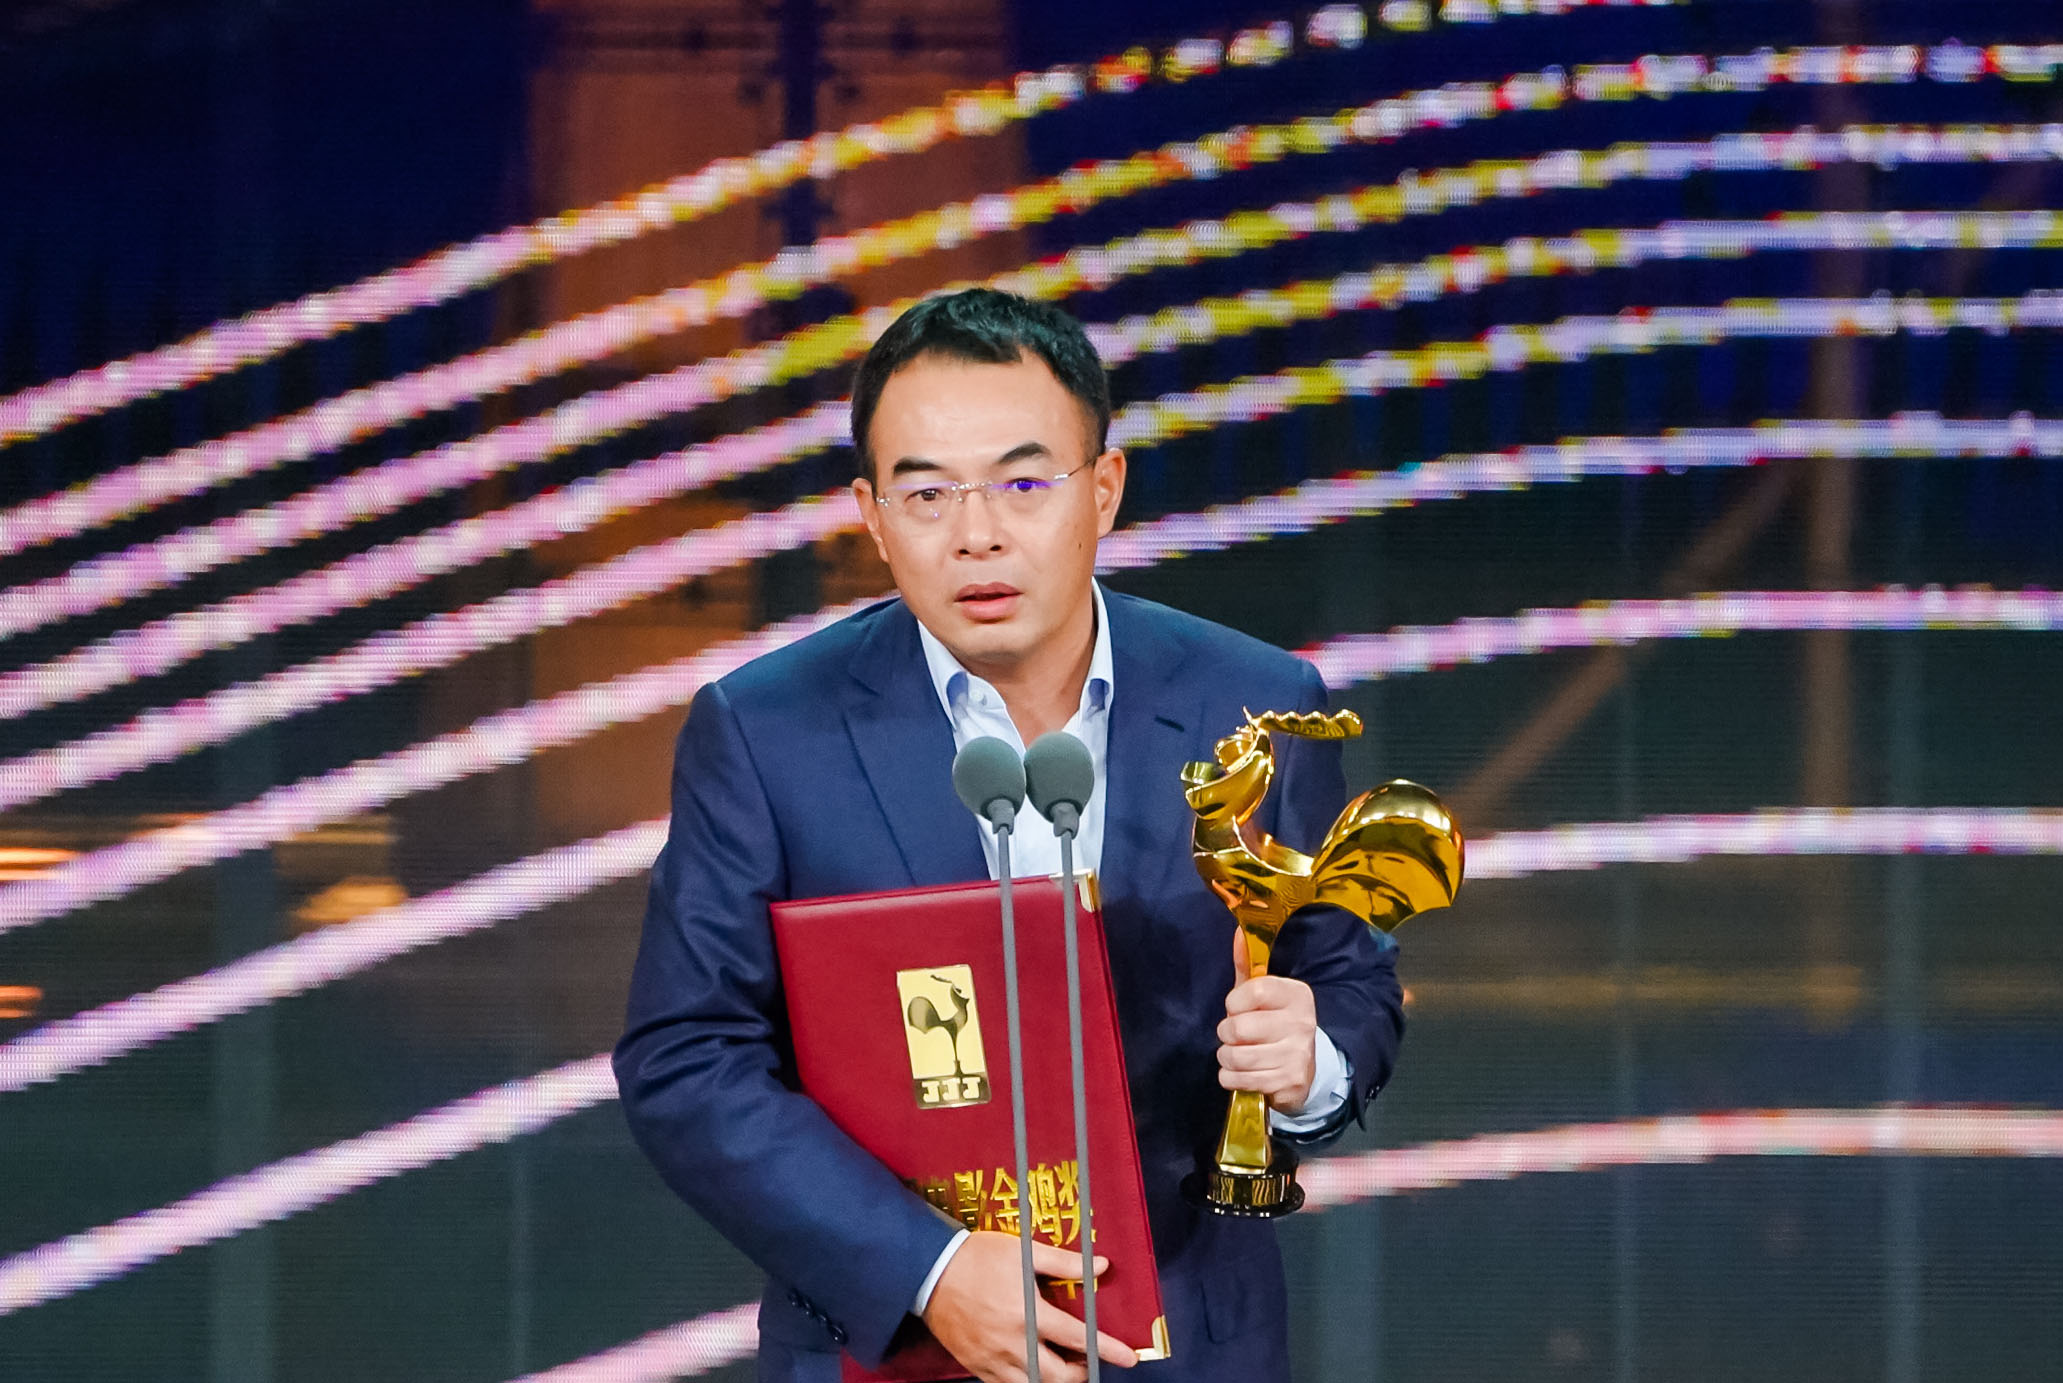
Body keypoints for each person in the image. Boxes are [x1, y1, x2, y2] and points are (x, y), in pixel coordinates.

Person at [615, 288, 1404, 1383]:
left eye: (1023, 484)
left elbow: (1349, 981)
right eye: (925, 493)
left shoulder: (1254, 706)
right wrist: (927, 1269)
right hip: (890, 1346)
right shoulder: (766, 733)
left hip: (1188, 1345)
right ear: (870, 515)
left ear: (1104, 488)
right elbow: (686, 1054)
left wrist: (1309, 1062)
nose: (976, 534)